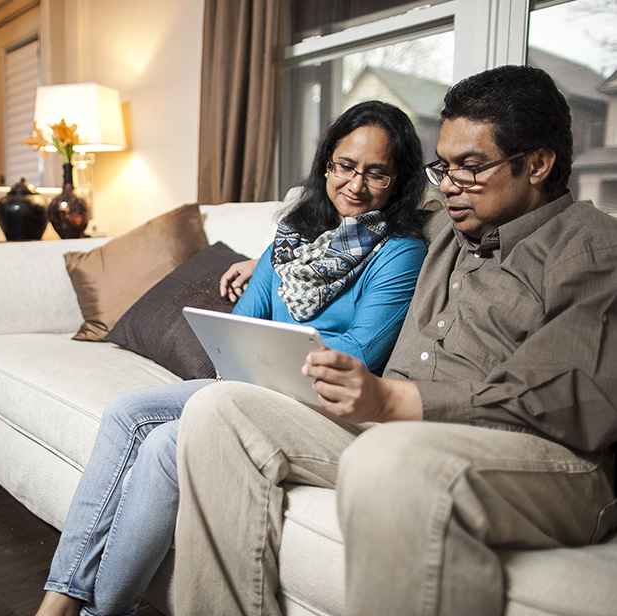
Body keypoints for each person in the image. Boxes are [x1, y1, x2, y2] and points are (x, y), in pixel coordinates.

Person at [172, 64, 617, 616]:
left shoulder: (592, 246)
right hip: (397, 427)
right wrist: (264, 260)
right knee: (220, 408)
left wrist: (393, 400)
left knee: (391, 457)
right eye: (444, 167)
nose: (450, 184)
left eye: (472, 168)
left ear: (539, 164)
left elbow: (570, 398)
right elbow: (344, 226)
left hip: (546, 461)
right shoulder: (443, 226)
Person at [35, 100, 430, 616]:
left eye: (376, 173)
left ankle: (99, 612)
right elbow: (247, 316)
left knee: (162, 443)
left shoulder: (399, 252)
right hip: (250, 382)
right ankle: (61, 599)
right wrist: (241, 349)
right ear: (326, 164)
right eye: (345, 166)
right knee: (124, 412)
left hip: (315, 404)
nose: (355, 184)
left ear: (398, 181)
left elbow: (358, 353)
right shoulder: (295, 232)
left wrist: (265, 354)